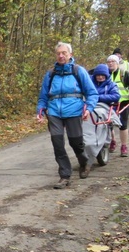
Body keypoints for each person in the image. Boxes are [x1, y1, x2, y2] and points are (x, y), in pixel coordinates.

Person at [37, 42, 98, 188]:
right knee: (57, 144)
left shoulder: (79, 71)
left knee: (75, 142)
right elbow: (43, 97)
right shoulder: (50, 74)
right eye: (58, 53)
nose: (61, 55)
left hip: (74, 111)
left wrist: (88, 108)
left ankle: (84, 162)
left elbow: (92, 93)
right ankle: (64, 176)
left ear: (70, 54)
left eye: (64, 53)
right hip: (53, 112)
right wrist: (40, 111)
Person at [106, 55, 129, 156]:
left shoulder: (124, 74)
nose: (110, 63)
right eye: (109, 62)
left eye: (113, 61)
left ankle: (124, 146)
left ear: (117, 63)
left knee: (123, 125)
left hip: (123, 103)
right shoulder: (104, 74)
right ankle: (113, 140)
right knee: (108, 124)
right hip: (109, 102)